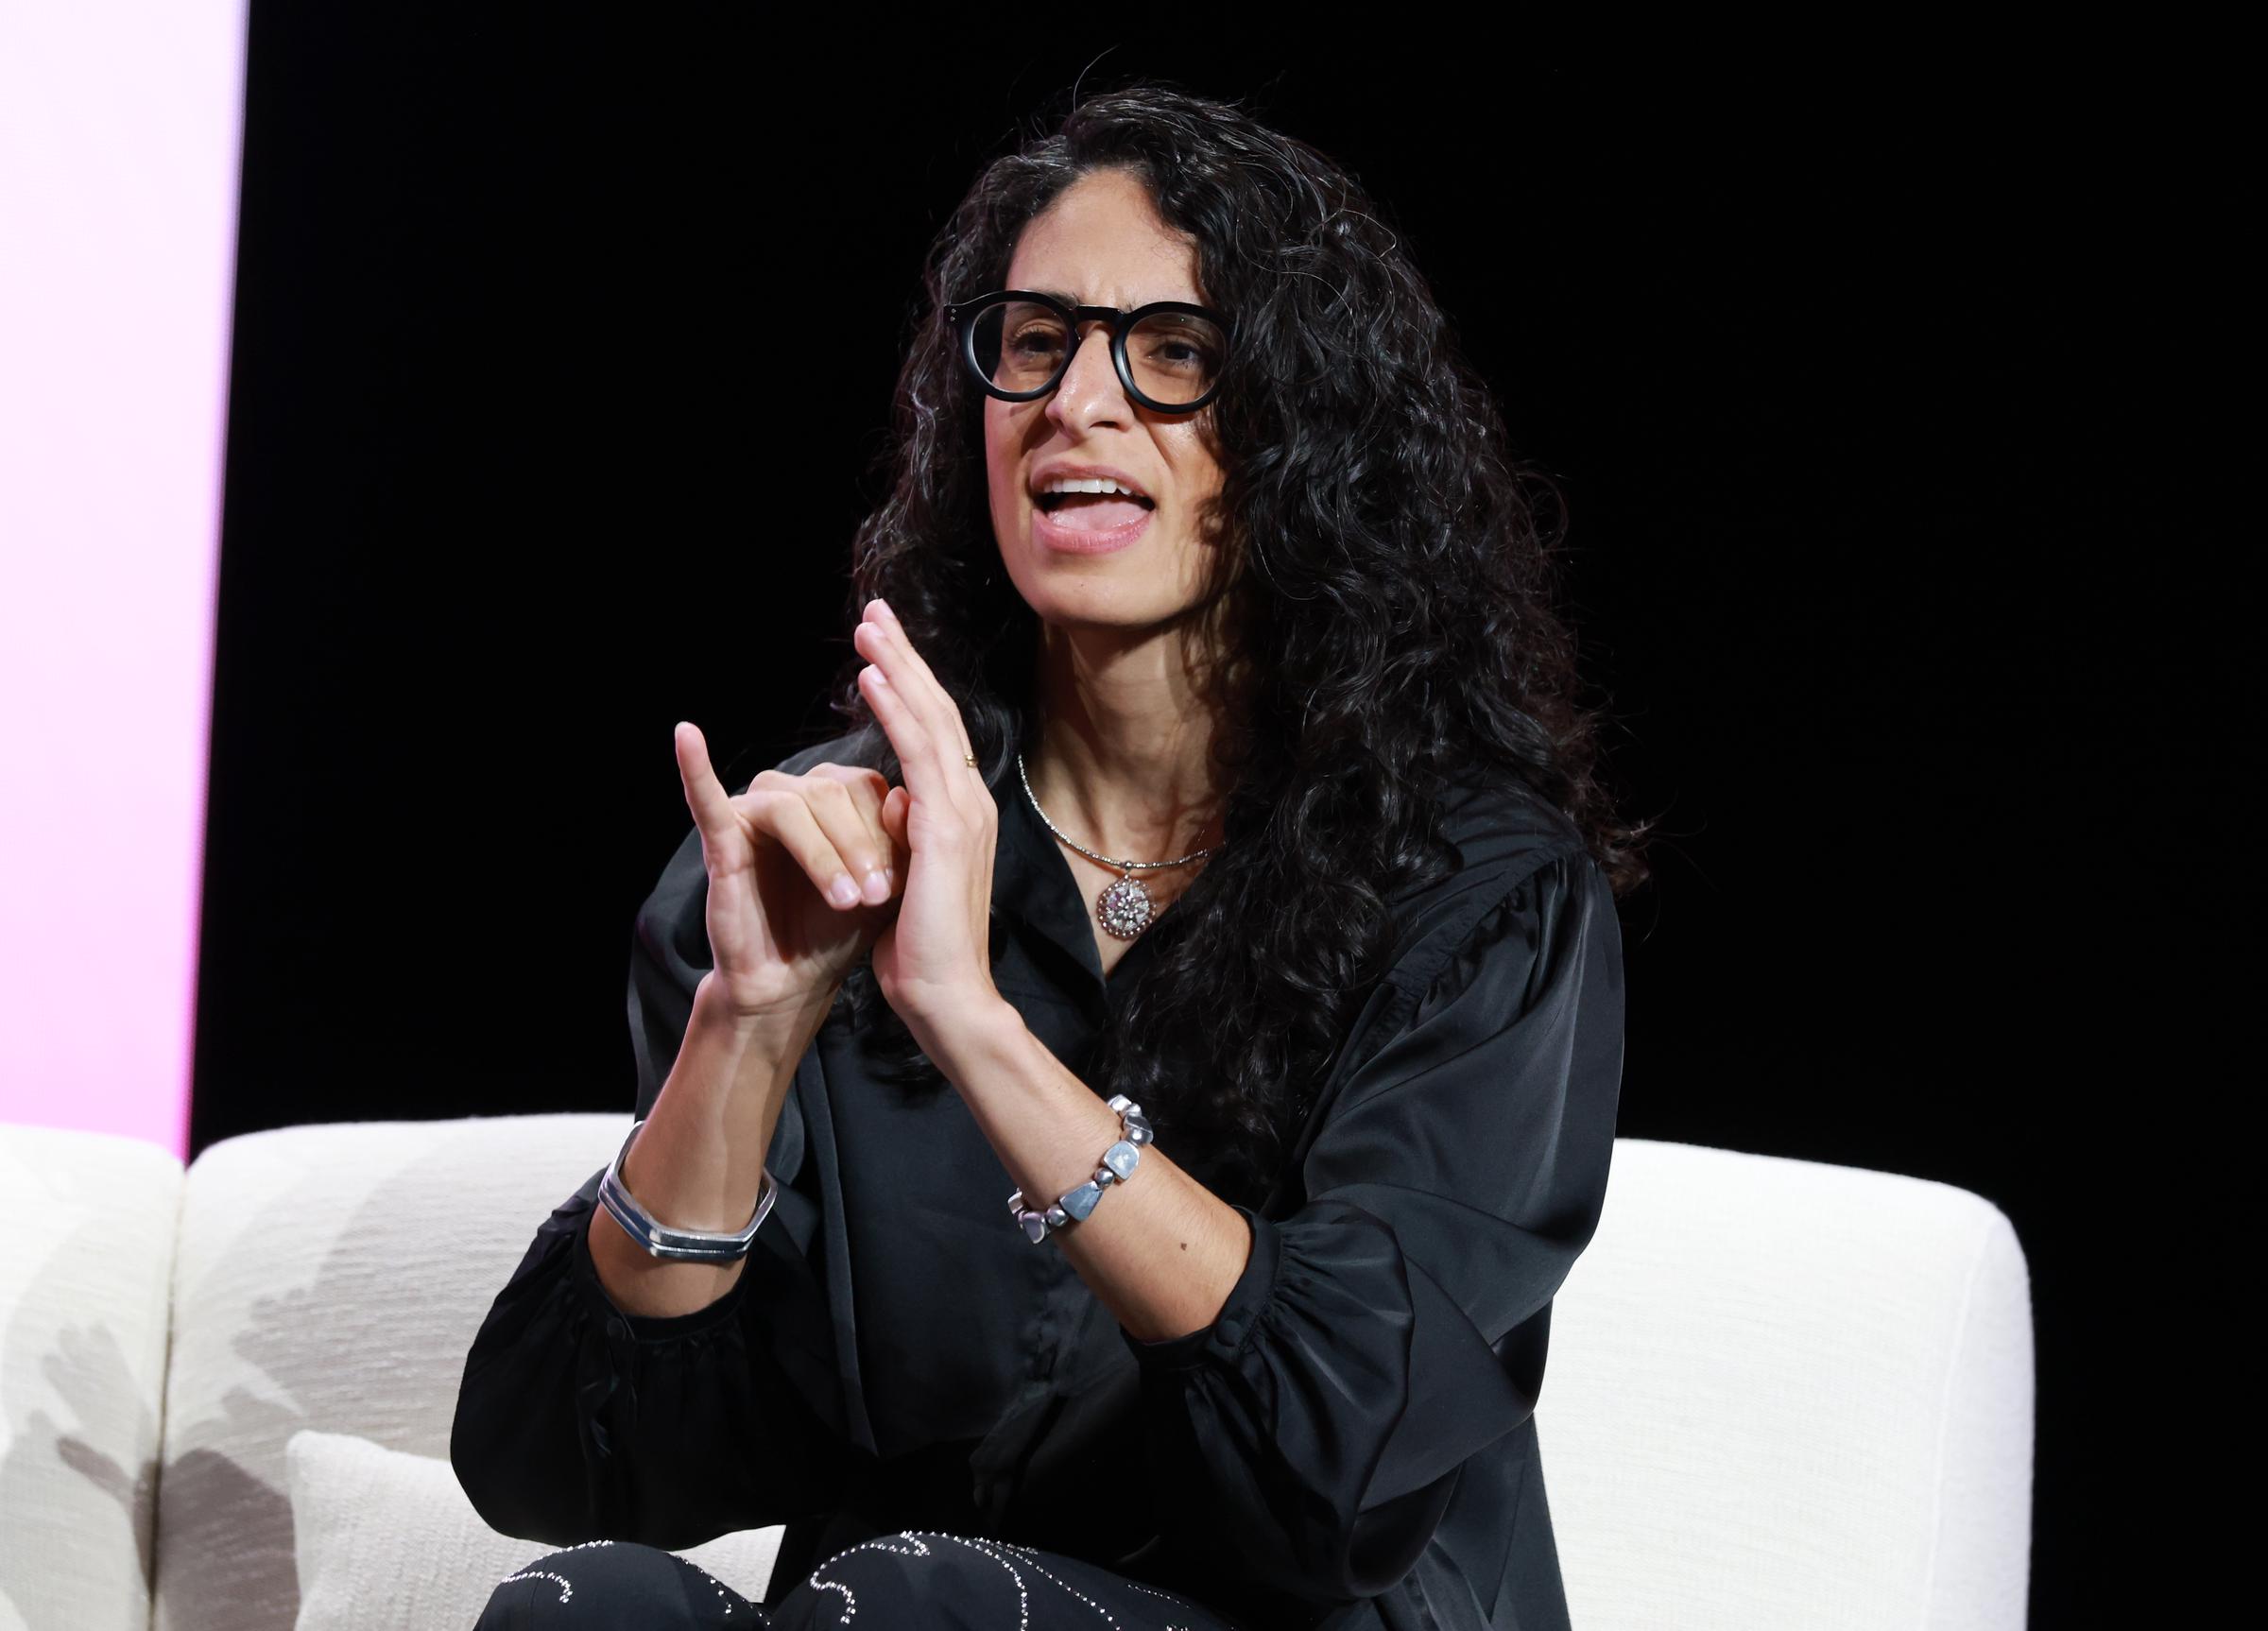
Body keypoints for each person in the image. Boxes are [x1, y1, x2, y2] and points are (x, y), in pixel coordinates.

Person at [452, 79, 1652, 1631]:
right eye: (1035, 342)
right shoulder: (838, 843)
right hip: (891, 1610)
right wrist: (751, 1024)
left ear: (1303, 438)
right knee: (591, 1609)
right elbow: (571, 1460)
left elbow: (1338, 1457)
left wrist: (972, 1019)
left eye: (1172, 354)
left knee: (921, 1603)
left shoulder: (1474, 890)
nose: (1080, 401)